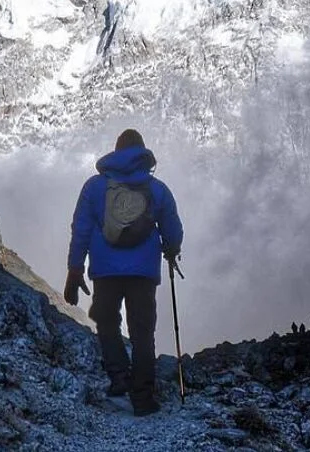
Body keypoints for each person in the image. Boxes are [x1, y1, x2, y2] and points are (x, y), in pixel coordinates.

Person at [64, 128, 184, 415]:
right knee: (143, 332)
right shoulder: (157, 189)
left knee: (106, 321)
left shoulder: (95, 187)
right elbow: (173, 230)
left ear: (116, 152)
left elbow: (80, 229)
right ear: (143, 154)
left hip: (105, 270)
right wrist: (170, 248)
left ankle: (118, 379)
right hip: (143, 272)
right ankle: (142, 397)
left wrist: (75, 268)